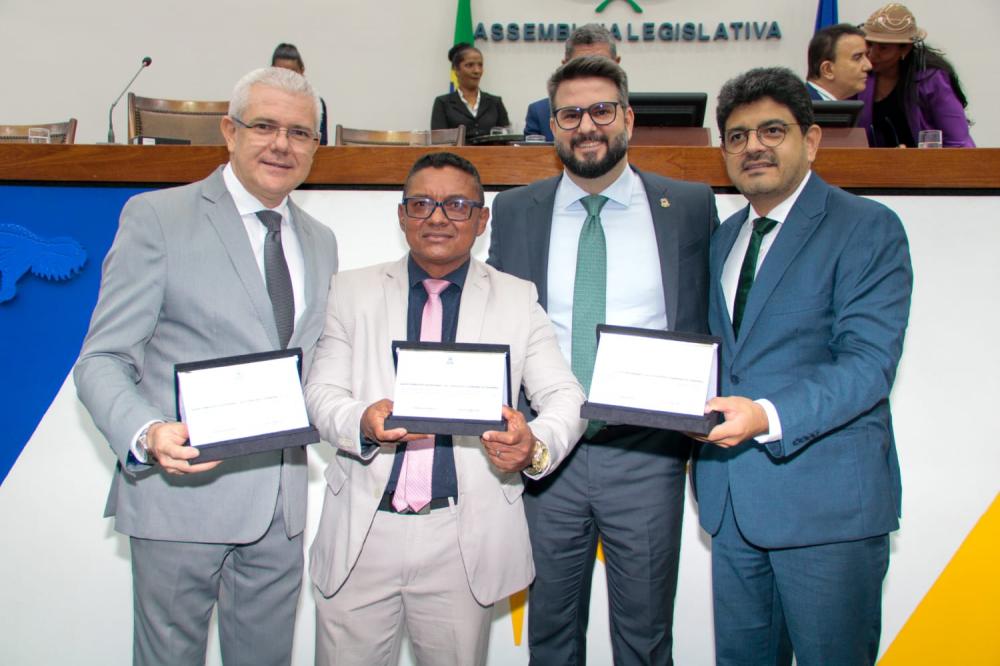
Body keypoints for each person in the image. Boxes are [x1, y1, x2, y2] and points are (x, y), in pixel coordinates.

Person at [74, 67, 338, 666]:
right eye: (264, 126)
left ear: (315, 147)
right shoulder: (158, 218)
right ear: (229, 130)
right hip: (181, 498)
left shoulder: (321, 240)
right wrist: (147, 433)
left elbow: (314, 365)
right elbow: (103, 359)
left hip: (280, 509)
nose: (282, 144)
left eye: (300, 133)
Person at [304, 152, 586, 666]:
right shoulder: (352, 290)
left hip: (461, 536)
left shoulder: (517, 299)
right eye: (421, 203)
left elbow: (566, 397)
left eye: (457, 205)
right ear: (402, 215)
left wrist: (534, 447)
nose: (437, 217)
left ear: (482, 219)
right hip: (363, 532)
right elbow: (321, 393)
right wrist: (361, 423)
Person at [488, 56, 718, 665]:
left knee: (645, 640)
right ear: (552, 126)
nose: (586, 126)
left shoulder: (690, 206)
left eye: (601, 110)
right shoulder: (515, 212)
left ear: (628, 118)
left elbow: (705, 318)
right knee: (552, 638)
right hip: (547, 458)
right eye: (569, 114)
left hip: (645, 454)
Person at [695, 66, 912, 665]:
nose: (753, 147)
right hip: (733, 505)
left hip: (829, 510)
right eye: (736, 136)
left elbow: (868, 365)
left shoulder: (866, 228)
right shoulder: (725, 236)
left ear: (811, 140)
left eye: (772, 130)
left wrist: (766, 415)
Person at [858, 3, 974, 147]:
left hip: (928, 166)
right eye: (869, 44)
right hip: (872, 165)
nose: (872, 55)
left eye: (883, 48)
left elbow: (958, 142)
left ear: (905, 48)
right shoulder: (859, 73)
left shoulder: (932, 78)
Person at [524, 23, 621, 141]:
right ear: (565, 66)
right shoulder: (541, 112)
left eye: (600, 66)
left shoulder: (634, 109)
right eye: (580, 66)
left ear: (617, 64)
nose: (591, 75)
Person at [431, 43, 510, 140]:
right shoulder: (443, 103)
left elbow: (507, 138)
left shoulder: (495, 102)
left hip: (491, 155)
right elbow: (438, 141)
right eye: (470, 65)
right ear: (456, 69)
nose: (477, 70)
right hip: (455, 155)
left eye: (480, 65)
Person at [271, 42, 330, 145]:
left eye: (292, 73)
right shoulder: (264, 101)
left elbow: (321, 144)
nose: (287, 78)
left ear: (302, 71)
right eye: (281, 72)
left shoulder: (315, 103)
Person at [806, 23, 872, 101]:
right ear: (828, 70)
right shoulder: (800, 109)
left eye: (867, 56)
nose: (869, 66)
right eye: (857, 58)